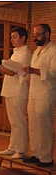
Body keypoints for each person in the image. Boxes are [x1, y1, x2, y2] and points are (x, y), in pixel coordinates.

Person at [0, 26, 32, 159]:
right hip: (11, 89)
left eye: (15, 37)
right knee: (13, 120)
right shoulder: (16, 52)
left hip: (18, 90)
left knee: (19, 120)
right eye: (11, 37)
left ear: (23, 38)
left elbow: (12, 72)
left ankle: (21, 149)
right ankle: (13, 146)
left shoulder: (25, 53)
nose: (12, 40)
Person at [23, 24, 56, 167]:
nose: (35, 38)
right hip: (34, 92)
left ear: (47, 34)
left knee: (44, 125)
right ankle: (36, 153)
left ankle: (46, 157)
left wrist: (35, 71)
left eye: (38, 35)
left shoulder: (54, 51)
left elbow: (54, 72)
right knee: (34, 124)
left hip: (46, 92)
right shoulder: (36, 51)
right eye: (34, 35)